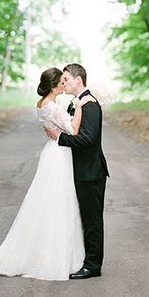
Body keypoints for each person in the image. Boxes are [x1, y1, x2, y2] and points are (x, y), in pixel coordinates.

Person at [0, 67, 94, 281]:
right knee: (57, 203)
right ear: (54, 85)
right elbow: (74, 131)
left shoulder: (45, 104)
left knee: (55, 202)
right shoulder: (50, 105)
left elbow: (62, 128)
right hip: (58, 155)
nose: (64, 84)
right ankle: (55, 257)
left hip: (56, 152)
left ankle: (62, 253)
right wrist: (80, 106)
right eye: (62, 81)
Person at [45, 63, 109, 280]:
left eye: (66, 79)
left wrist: (59, 138)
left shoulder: (89, 105)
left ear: (78, 80)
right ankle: (86, 260)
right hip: (81, 171)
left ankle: (93, 266)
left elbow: (88, 139)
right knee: (84, 217)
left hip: (91, 172)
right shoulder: (78, 103)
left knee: (92, 220)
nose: (64, 83)